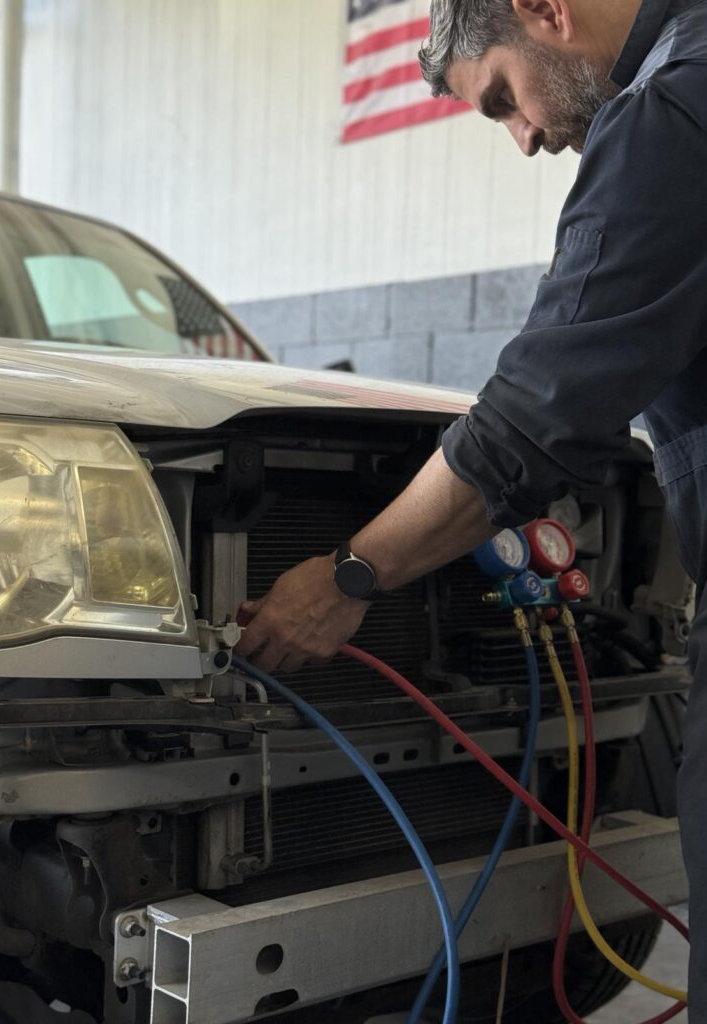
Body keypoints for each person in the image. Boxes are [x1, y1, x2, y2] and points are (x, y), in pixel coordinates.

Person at [234, 0, 707, 1013]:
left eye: (503, 98)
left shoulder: (672, 109)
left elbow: (538, 415)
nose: (525, 137)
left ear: (545, 10)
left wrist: (352, 575)